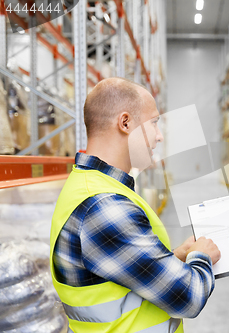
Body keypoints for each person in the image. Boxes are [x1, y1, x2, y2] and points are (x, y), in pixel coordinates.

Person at [50, 78, 220, 333]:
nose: (159, 136)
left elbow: (118, 275)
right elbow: (189, 297)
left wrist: (174, 258)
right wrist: (202, 256)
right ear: (125, 122)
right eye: (154, 123)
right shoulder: (104, 205)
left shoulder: (94, 186)